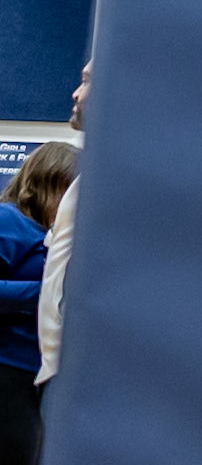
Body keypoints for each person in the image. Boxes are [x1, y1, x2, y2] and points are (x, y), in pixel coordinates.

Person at [0, 140, 78, 465]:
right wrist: (47, 293)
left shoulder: (55, 233)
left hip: (35, 371)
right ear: (50, 181)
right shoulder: (9, 221)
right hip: (7, 366)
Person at [36, 60, 90, 392]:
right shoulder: (88, 178)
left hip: (82, 374)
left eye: (87, 81)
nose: (76, 93)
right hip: (59, 371)